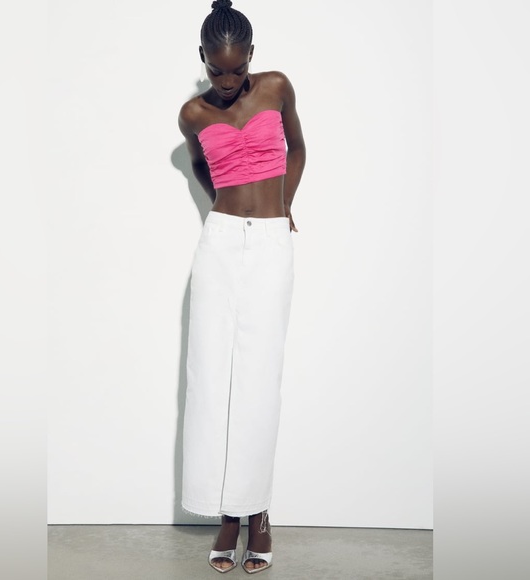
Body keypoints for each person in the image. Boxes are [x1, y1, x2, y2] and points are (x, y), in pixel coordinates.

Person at [178, 0, 305, 573]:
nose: (227, 82)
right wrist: (224, 205)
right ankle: (225, 513)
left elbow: (298, 148)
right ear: (202, 58)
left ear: (251, 54)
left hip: (273, 240)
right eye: (216, 70)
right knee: (210, 376)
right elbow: (203, 168)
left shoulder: (277, 87)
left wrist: (284, 203)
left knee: (259, 379)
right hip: (220, 242)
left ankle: (257, 511)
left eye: (236, 69)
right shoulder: (192, 113)